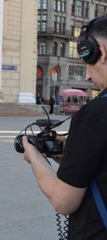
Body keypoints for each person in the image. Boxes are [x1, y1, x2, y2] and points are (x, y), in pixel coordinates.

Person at [21, 15, 107, 239]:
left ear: (101, 52)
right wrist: (75, 155)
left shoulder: (94, 116)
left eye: (87, 64)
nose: (87, 75)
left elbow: (64, 201)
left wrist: (34, 157)